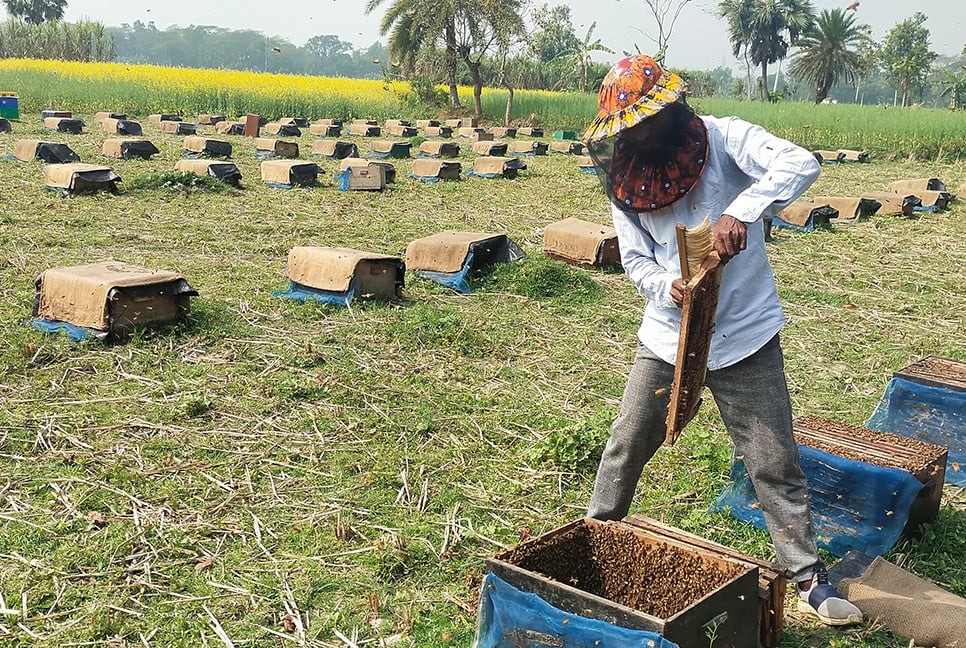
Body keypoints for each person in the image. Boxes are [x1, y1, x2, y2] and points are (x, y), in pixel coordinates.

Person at [583, 54, 863, 627]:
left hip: (745, 338)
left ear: (670, 110)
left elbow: (800, 162)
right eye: (627, 129)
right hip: (667, 338)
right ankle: (593, 539)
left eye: (645, 122)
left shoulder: (729, 139)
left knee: (772, 459)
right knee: (627, 442)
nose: (636, 135)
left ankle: (807, 576)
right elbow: (636, 262)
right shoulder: (624, 180)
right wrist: (670, 286)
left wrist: (743, 210)